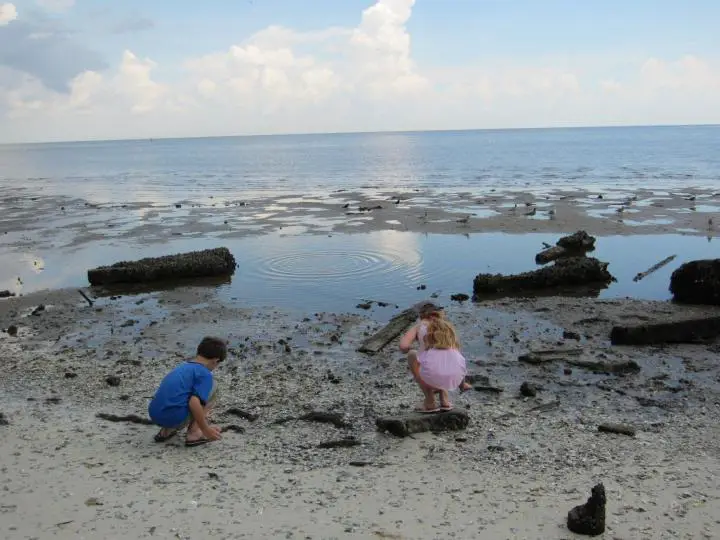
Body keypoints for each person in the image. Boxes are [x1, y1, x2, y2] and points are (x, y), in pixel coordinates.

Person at [148, 336, 226, 447]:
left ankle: (166, 431)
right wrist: (206, 429)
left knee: (181, 393)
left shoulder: (182, 367)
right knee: (214, 386)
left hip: (155, 415)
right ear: (216, 360)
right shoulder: (205, 374)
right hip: (174, 418)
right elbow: (193, 402)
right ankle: (194, 433)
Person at [400, 302, 468, 412]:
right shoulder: (447, 327)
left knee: (413, 355)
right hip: (454, 378)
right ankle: (445, 401)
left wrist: (414, 347)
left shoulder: (419, 326)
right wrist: (462, 383)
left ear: (421, 315)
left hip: (432, 376)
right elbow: (458, 356)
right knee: (444, 358)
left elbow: (403, 346)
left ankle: (430, 401)